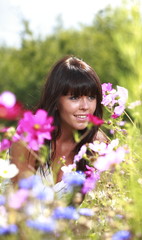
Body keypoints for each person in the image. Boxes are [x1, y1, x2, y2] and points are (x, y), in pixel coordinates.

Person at [10, 55, 108, 198]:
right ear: (56, 101)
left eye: (91, 97)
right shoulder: (28, 138)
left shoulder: (98, 145)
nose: (85, 106)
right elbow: (23, 203)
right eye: (74, 98)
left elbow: (107, 202)